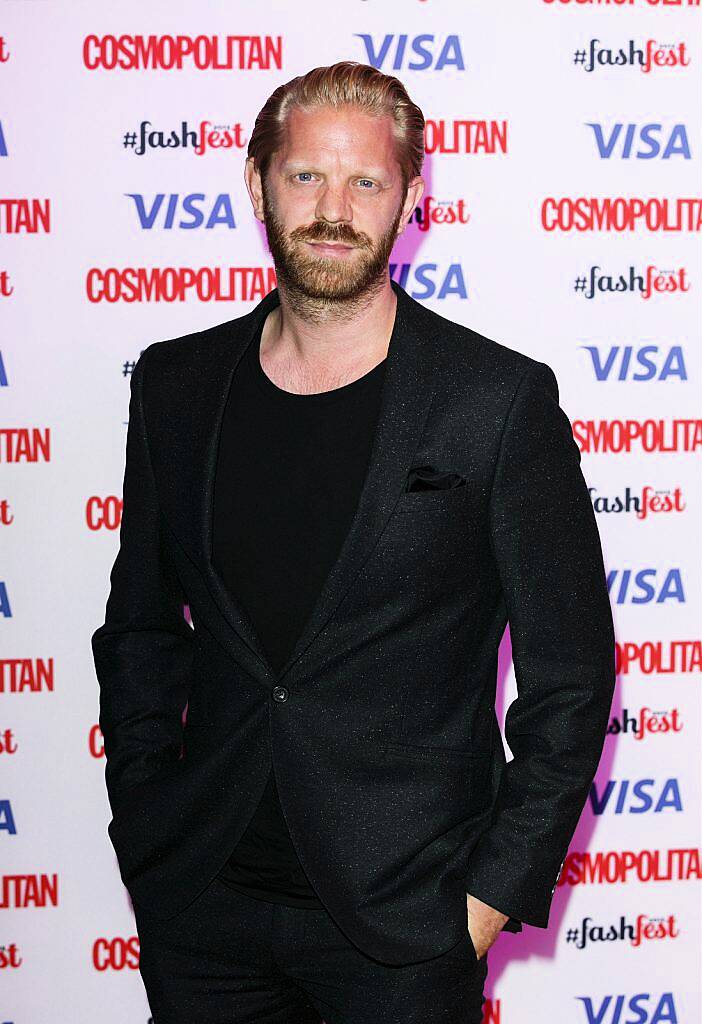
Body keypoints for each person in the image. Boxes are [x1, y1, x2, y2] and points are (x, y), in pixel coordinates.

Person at [91, 61, 616, 1023]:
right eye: (305, 177)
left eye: (366, 182)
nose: (334, 209)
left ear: (410, 198)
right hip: (201, 910)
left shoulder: (493, 404)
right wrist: (145, 824)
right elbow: (138, 630)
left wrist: (487, 899)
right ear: (256, 183)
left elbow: (572, 677)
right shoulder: (176, 385)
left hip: (405, 926)